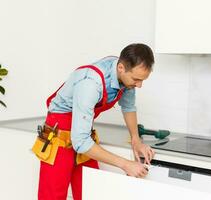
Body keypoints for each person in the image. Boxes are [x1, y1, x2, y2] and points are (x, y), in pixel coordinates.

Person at [38, 43, 156, 200]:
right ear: (121, 68)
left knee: (89, 192)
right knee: (52, 196)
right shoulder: (90, 84)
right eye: (136, 79)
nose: (139, 85)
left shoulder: (125, 74)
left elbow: (128, 106)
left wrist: (136, 140)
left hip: (83, 130)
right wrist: (126, 164)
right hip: (58, 132)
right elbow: (80, 142)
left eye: (142, 80)